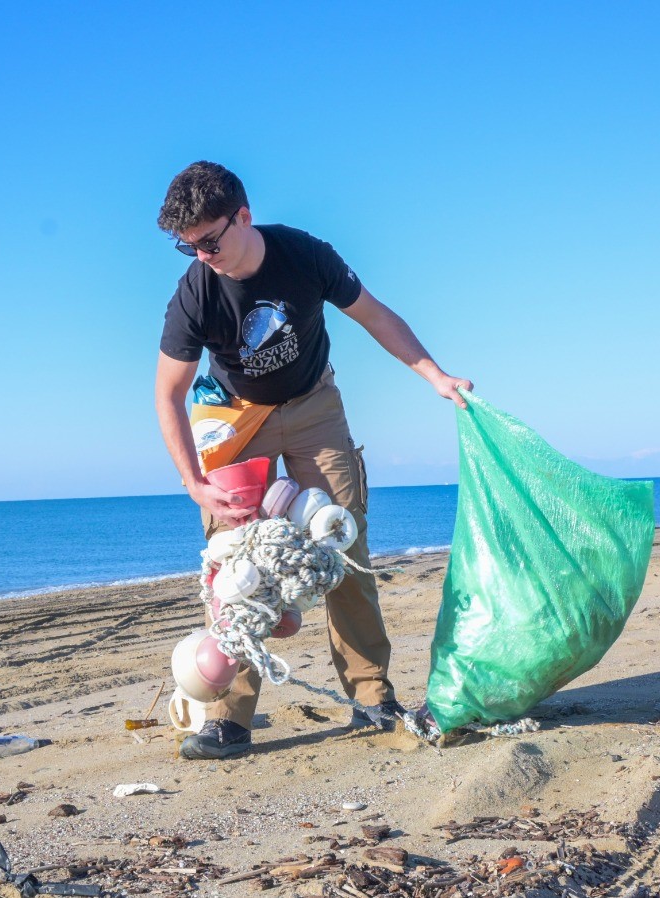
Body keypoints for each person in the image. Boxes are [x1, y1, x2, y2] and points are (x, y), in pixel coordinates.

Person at [154, 161, 472, 760]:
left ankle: (371, 697)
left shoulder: (305, 255)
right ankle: (228, 717)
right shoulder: (195, 292)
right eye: (186, 246)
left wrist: (434, 376)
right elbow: (167, 392)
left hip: (313, 403)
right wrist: (193, 482)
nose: (201, 256)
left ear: (243, 216)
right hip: (234, 416)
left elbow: (375, 315)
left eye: (209, 241)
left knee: (343, 542)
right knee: (235, 562)